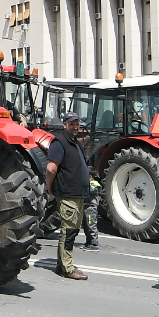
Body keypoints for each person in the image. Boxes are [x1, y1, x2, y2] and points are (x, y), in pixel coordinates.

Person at [45, 112, 92, 280]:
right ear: (64, 125)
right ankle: (67, 268)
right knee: (69, 230)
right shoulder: (59, 142)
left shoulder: (74, 142)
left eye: (77, 123)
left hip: (77, 193)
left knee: (71, 229)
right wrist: (48, 186)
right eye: (71, 124)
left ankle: (62, 264)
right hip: (67, 192)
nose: (75, 126)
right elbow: (51, 168)